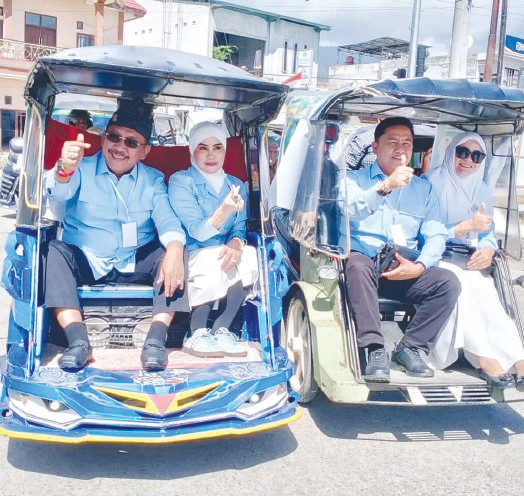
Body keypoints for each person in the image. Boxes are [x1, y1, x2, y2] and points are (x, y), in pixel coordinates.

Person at [44, 98, 188, 371]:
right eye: (114, 137)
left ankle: (155, 341)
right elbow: (59, 193)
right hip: (86, 258)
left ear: (144, 151)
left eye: (131, 142)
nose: (120, 147)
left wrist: (176, 249)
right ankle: (77, 341)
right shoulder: (81, 168)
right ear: (102, 139)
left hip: (133, 259)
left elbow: (167, 219)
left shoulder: (153, 179)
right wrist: (64, 169)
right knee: (54, 251)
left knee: (176, 251)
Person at [341, 116, 460, 382]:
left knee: (447, 282)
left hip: (402, 265)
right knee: (357, 264)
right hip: (366, 262)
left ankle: (410, 348)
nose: (401, 148)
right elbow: (347, 212)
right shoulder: (354, 179)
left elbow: (436, 232)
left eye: (407, 143)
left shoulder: (423, 188)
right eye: (392, 142)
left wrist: (419, 266)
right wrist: (385, 187)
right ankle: (373, 348)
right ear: (375, 147)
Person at [424, 131, 524, 389]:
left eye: (477, 155)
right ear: (451, 153)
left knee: (487, 292)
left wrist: (488, 250)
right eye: (462, 152)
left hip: (468, 256)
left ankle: (517, 358)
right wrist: (463, 226)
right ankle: (482, 356)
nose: (468, 160)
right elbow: (419, 232)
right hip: (435, 254)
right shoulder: (430, 183)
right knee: (463, 286)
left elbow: (487, 232)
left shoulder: (481, 188)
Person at [168, 121, 258, 357]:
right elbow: (197, 231)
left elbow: (239, 227)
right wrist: (223, 211)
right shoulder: (181, 181)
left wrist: (237, 243)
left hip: (223, 251)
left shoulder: (235, 184)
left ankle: (222, 329)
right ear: (192, 150)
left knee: (248, 256)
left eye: (217, 147)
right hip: (191, 251)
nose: (210, 155)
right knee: (212, 259)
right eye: (203, 148)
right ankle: (196, 331)